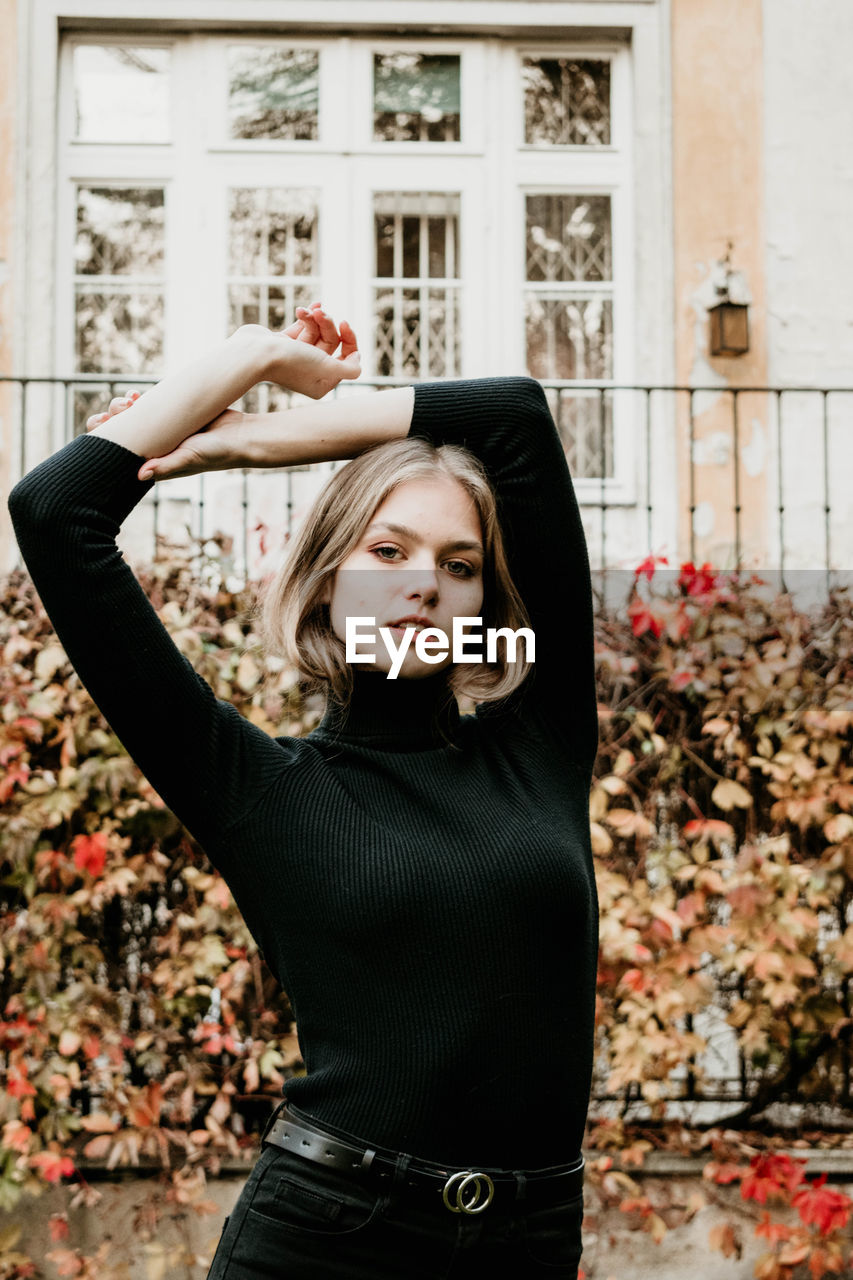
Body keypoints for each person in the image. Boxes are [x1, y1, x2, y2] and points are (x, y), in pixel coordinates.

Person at [7, 303, 599, 1279]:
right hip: (329, 1238)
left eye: (459, 566)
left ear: (485, 605)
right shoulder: (259, 788)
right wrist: (252, 359)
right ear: (327, 579)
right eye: (387, 550)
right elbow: (54, 510)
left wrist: (257, 440)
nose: (424, 584)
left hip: (527, 1240)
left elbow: (516, 416)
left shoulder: (540, 735)